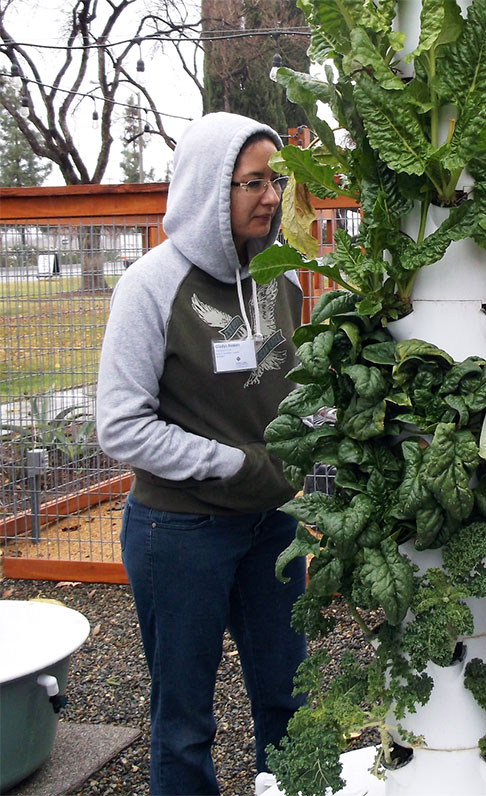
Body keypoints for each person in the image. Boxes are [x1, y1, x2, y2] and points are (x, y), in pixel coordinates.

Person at [96, 112, 307, 796]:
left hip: (271, 526)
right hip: (180, 531)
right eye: (253, 182)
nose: (271, 196)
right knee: (185, 722)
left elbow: (296, 390)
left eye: (277, 181)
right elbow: (120, 427)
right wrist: (236, 464)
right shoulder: (150, 286)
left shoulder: (281, 279)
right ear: (208, 188)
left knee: (288, 696)